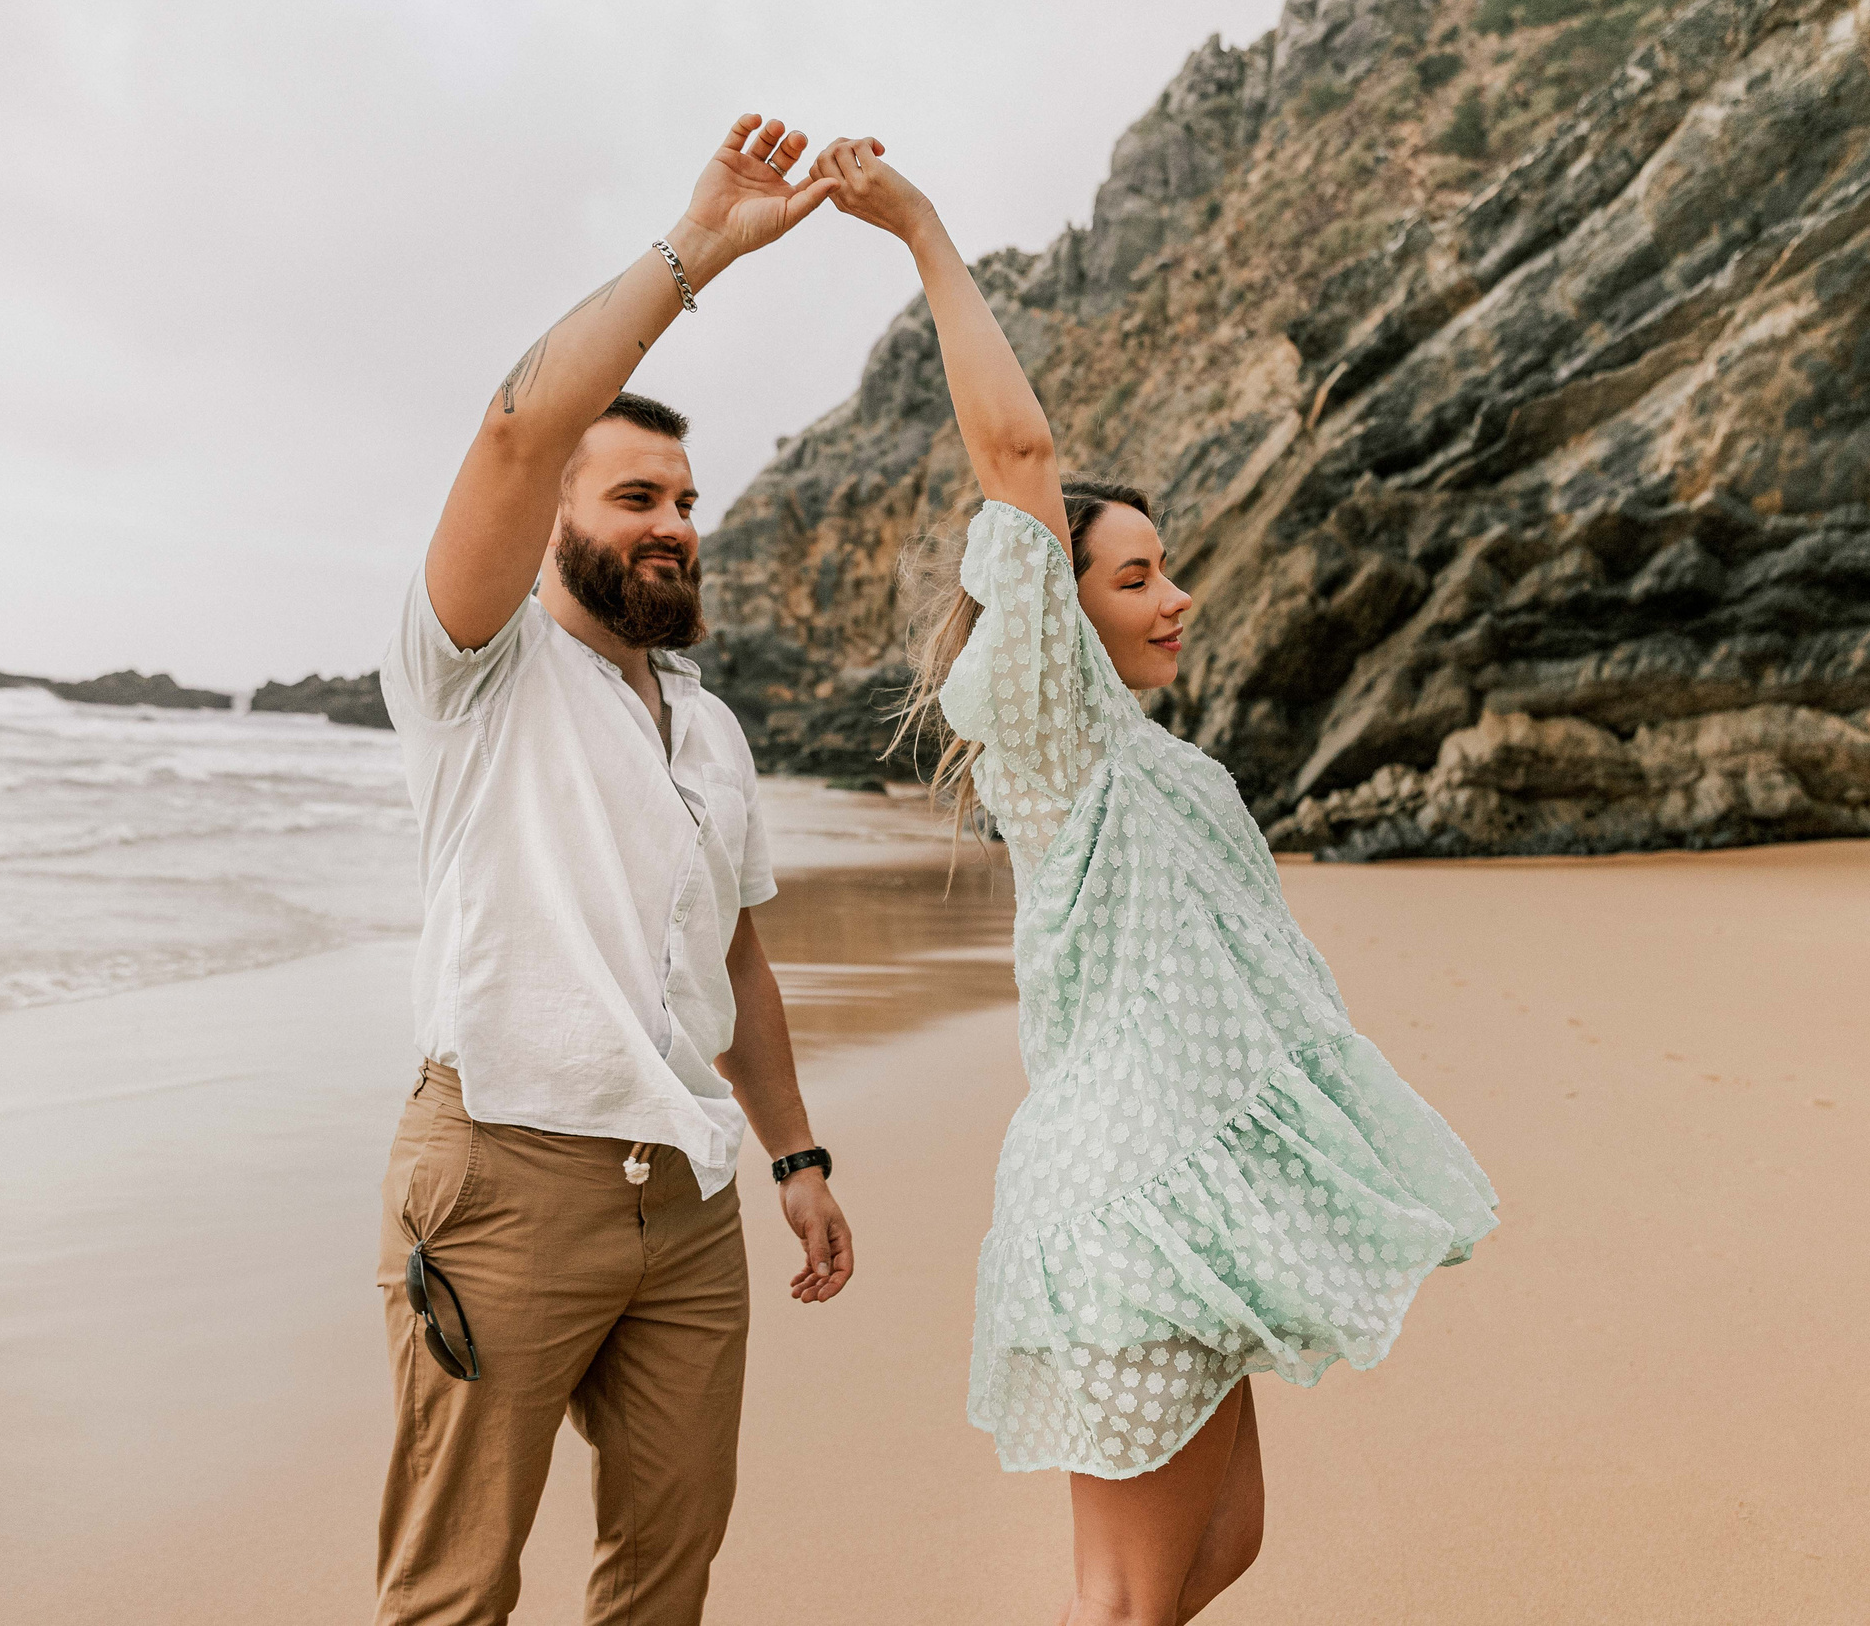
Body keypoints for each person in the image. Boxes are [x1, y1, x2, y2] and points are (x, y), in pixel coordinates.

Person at [810, 134, 1500, 1626]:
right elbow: (1020, 460)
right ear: (1059, 612)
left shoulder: (1157, 760)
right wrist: (921, 227)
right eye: (1136, 578)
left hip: (1198, 1207)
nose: (1177, 594)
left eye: (1170, 568)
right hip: (1127, 1207)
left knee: (1222, 1542)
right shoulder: (1061, 747)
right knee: (1123, 1601)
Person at [372, 113, 855, 1626]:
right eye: (634, 498)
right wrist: (694, 254)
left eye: (686, 504)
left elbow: (739, 962)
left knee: (666, 1574)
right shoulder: (475, 670)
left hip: (691, 1198)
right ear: (555, 523)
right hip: (505, 1173)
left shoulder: (707, 727)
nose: (672, 529)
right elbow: (515, 431)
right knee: (455, 1592)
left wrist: (798, 1158)